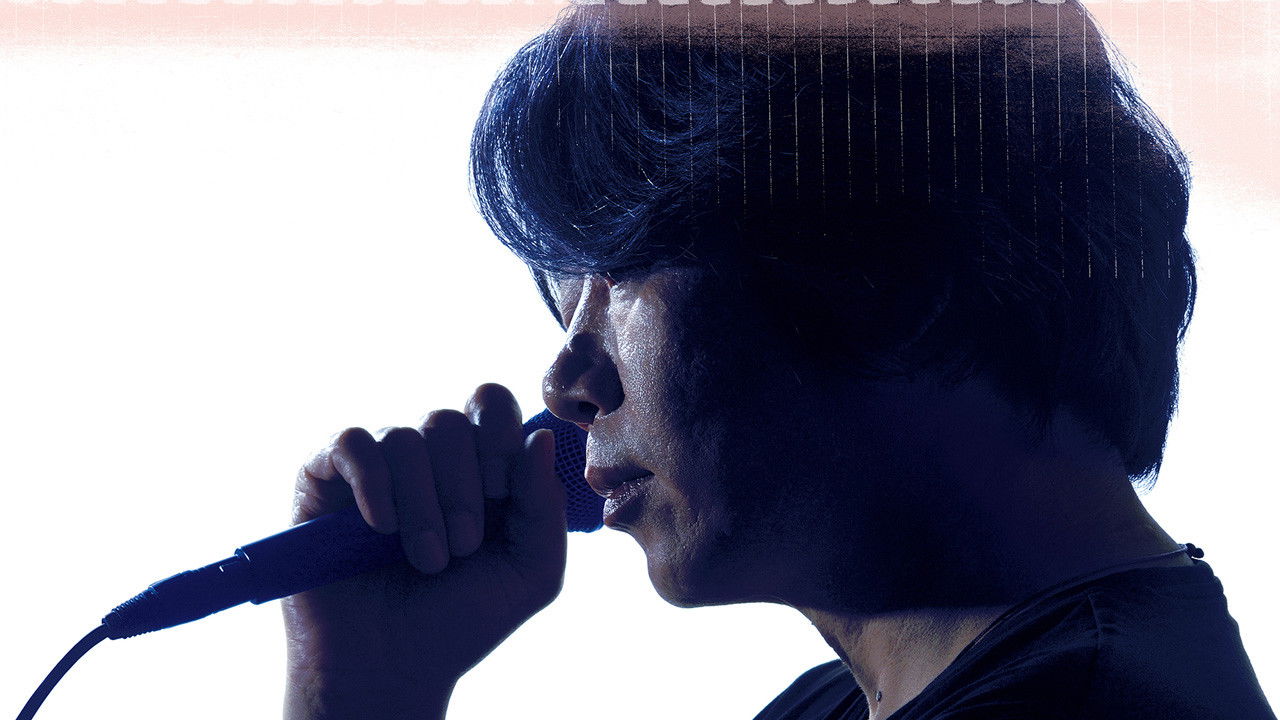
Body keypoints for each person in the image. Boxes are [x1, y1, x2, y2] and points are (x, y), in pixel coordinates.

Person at [281, 1, 1275, 718]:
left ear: (889, 264)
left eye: (623, 273)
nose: (565, 381)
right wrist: (368, 688)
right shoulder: (846, 701)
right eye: (565, 294)